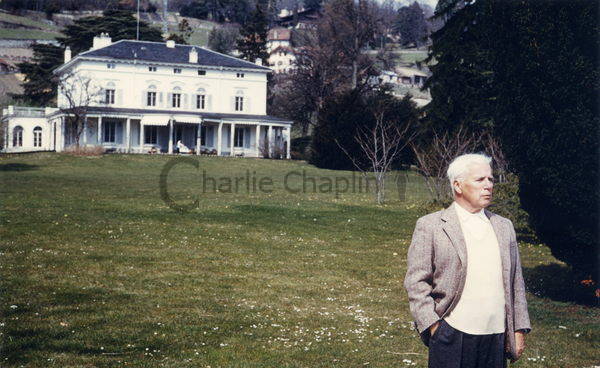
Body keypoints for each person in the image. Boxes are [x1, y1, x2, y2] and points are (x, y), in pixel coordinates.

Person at [403, 153, 531, 368]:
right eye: (480, 180)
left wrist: (518, 329)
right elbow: (416, 282)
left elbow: (516, 282)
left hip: (496, 336)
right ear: (458, 185)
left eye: (490, 179)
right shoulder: (431, 226)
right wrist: (433, 326)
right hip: (451, 333)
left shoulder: (503, 226)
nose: (488, 185)